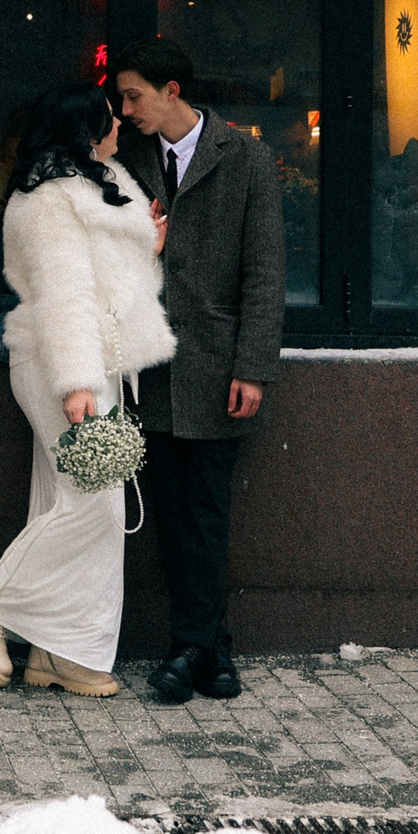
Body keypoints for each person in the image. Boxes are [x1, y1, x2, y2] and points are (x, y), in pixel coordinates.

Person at [0, 83, 174, 697]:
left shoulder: (98, 185)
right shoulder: (48, 201)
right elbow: (64, 297)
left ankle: (63, 654)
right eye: (109, 120)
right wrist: (77, 385)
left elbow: (114, 288)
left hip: (99, 365)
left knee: (69, 505)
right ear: (84, 130)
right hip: (63, 365)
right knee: (96, 507)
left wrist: (145, 243)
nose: (121, 127)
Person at [112, 38, 286, 705]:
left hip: (217, 368)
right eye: (122, 99)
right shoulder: (127, 159)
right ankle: (210, 652)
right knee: (172, 514)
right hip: (151, 367)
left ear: (172, 90)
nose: (125, 110)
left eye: (135, 96)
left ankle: (193, 647)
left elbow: (265, 274)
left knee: (206, 514)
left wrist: (253, 368)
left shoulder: (242, 157)